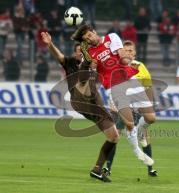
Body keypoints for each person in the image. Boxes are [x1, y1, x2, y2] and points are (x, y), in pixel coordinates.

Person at [71, 24, 156, 166]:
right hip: (114, 87)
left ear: (94, 32)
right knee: (129, 123)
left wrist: (125, 58)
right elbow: (87, 73)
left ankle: (141, 132)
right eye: (86, 39)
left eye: (90, 35)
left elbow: (122, 57)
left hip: (130, 79)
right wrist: (91, 67)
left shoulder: (112, 37)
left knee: (151, 118)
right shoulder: (90, 54)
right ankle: (137, 152)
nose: (90, 39)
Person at [41, 31, 119, 182]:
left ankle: (97, 169)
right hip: (80, 100)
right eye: (79, 52)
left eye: (83, 51)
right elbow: (59, 56)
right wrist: (50, 44)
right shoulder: (70, 63)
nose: (80, 53)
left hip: (94, 102)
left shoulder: (95, 61)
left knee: (113, 136)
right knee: (84, 77)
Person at [103, 40, 158, 177]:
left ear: (135, 53)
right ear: (121, 52)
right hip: (121, 104)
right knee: (115, 135)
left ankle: (150, 168)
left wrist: (149, 105)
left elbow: (148, 86)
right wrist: (112, 105)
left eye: (131, 50)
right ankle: (107, 168)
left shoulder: (140, 66)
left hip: (138, 105)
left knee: (149, 123)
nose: (129, 53)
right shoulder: (116, 66)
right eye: (126, 50)